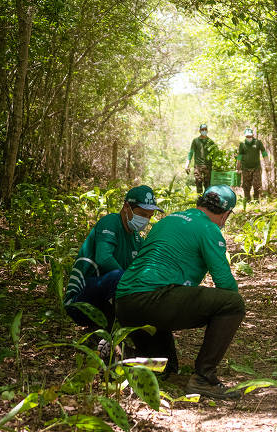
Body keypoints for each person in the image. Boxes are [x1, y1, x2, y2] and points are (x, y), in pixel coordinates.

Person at [115, 185, 244, 400]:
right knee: (233, 303)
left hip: (126, 303)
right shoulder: (209, 228)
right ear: (226, 214)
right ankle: (204, 378)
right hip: (155, 299)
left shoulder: (168, 220)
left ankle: (121, 356)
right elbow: (225, 284)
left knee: (165, 368)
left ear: (200, 202)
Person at [64, 185, 163, 330]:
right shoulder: (111, 222)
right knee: (119, 277)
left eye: (149, 216)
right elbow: (104, 258)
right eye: (142, 214)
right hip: (80, 302)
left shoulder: (136, 239)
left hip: (104, 305)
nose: (146, 220)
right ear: (126, 206)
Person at [235, 128, 267, 202]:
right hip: (245, 168)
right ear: (245, 136)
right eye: (247, 137)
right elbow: (239, 157)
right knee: (246, 186)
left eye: (250, 136)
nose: (249, 138)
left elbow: (264, 153)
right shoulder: (242, 144)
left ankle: (256, 200)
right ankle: (247, 201)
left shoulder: (258, 143)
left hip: (256, 168)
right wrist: (238, 167)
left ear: (252, 135)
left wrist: (267, 164)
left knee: (257, 185)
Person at [185, 124, 217, 193]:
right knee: (198, 182)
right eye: (202, 130)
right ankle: (199, 200)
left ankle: (207, 200)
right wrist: (187, 164)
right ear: (199, 131)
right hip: (198, 166)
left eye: (205, 129)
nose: (204, 131)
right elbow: (191, 153)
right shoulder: (195, 141)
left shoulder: (210, 142)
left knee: (207, 184)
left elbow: (215, 154)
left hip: (208, 166)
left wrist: (216, 165)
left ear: (207, 131)